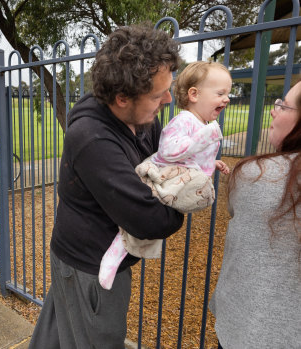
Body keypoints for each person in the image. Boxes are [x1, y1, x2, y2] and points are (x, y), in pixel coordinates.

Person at [28, 25, 185, 349]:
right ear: (122, 98)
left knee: (56, 339)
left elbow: (165, 159)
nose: (168, 101)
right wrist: (183, 200)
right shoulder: (93, 137)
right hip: (89, 268)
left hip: (79, 259)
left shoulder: (141, 117)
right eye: (158, 95)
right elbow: (149, 220)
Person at [99, 61, 232, 289]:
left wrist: (213, 162)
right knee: (138, 225)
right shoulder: (185, 121)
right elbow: (170, 151)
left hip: (180, 179)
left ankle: (126, 250)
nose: (226, 99)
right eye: (220, 93)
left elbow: (194, 157)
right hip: (164, 175)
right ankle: (114, 255)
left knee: (148, 230)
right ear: (194, 94)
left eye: (228, 93)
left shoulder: (204, 123)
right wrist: (205, 138)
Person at [209, 81, 301, 349]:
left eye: (283, 105)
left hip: (248, 328)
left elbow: (234, 209)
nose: (274, 112)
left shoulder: (256, 175)